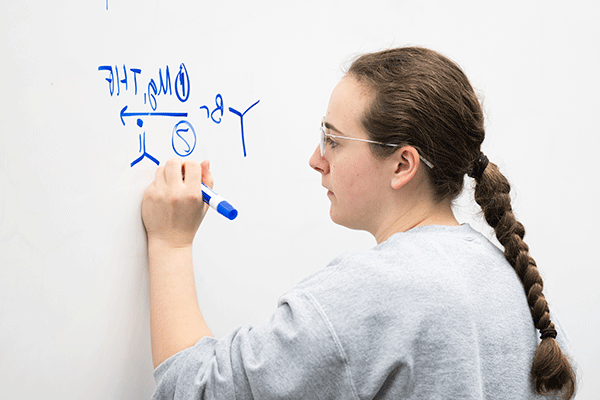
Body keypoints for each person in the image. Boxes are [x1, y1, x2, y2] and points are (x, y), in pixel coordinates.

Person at [142, 47, 576, 399]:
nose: (316, 160)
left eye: (333, 140)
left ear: (403, 164)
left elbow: (195, 388)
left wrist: (171, 244)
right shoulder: (503, 277)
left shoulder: (375, 292)